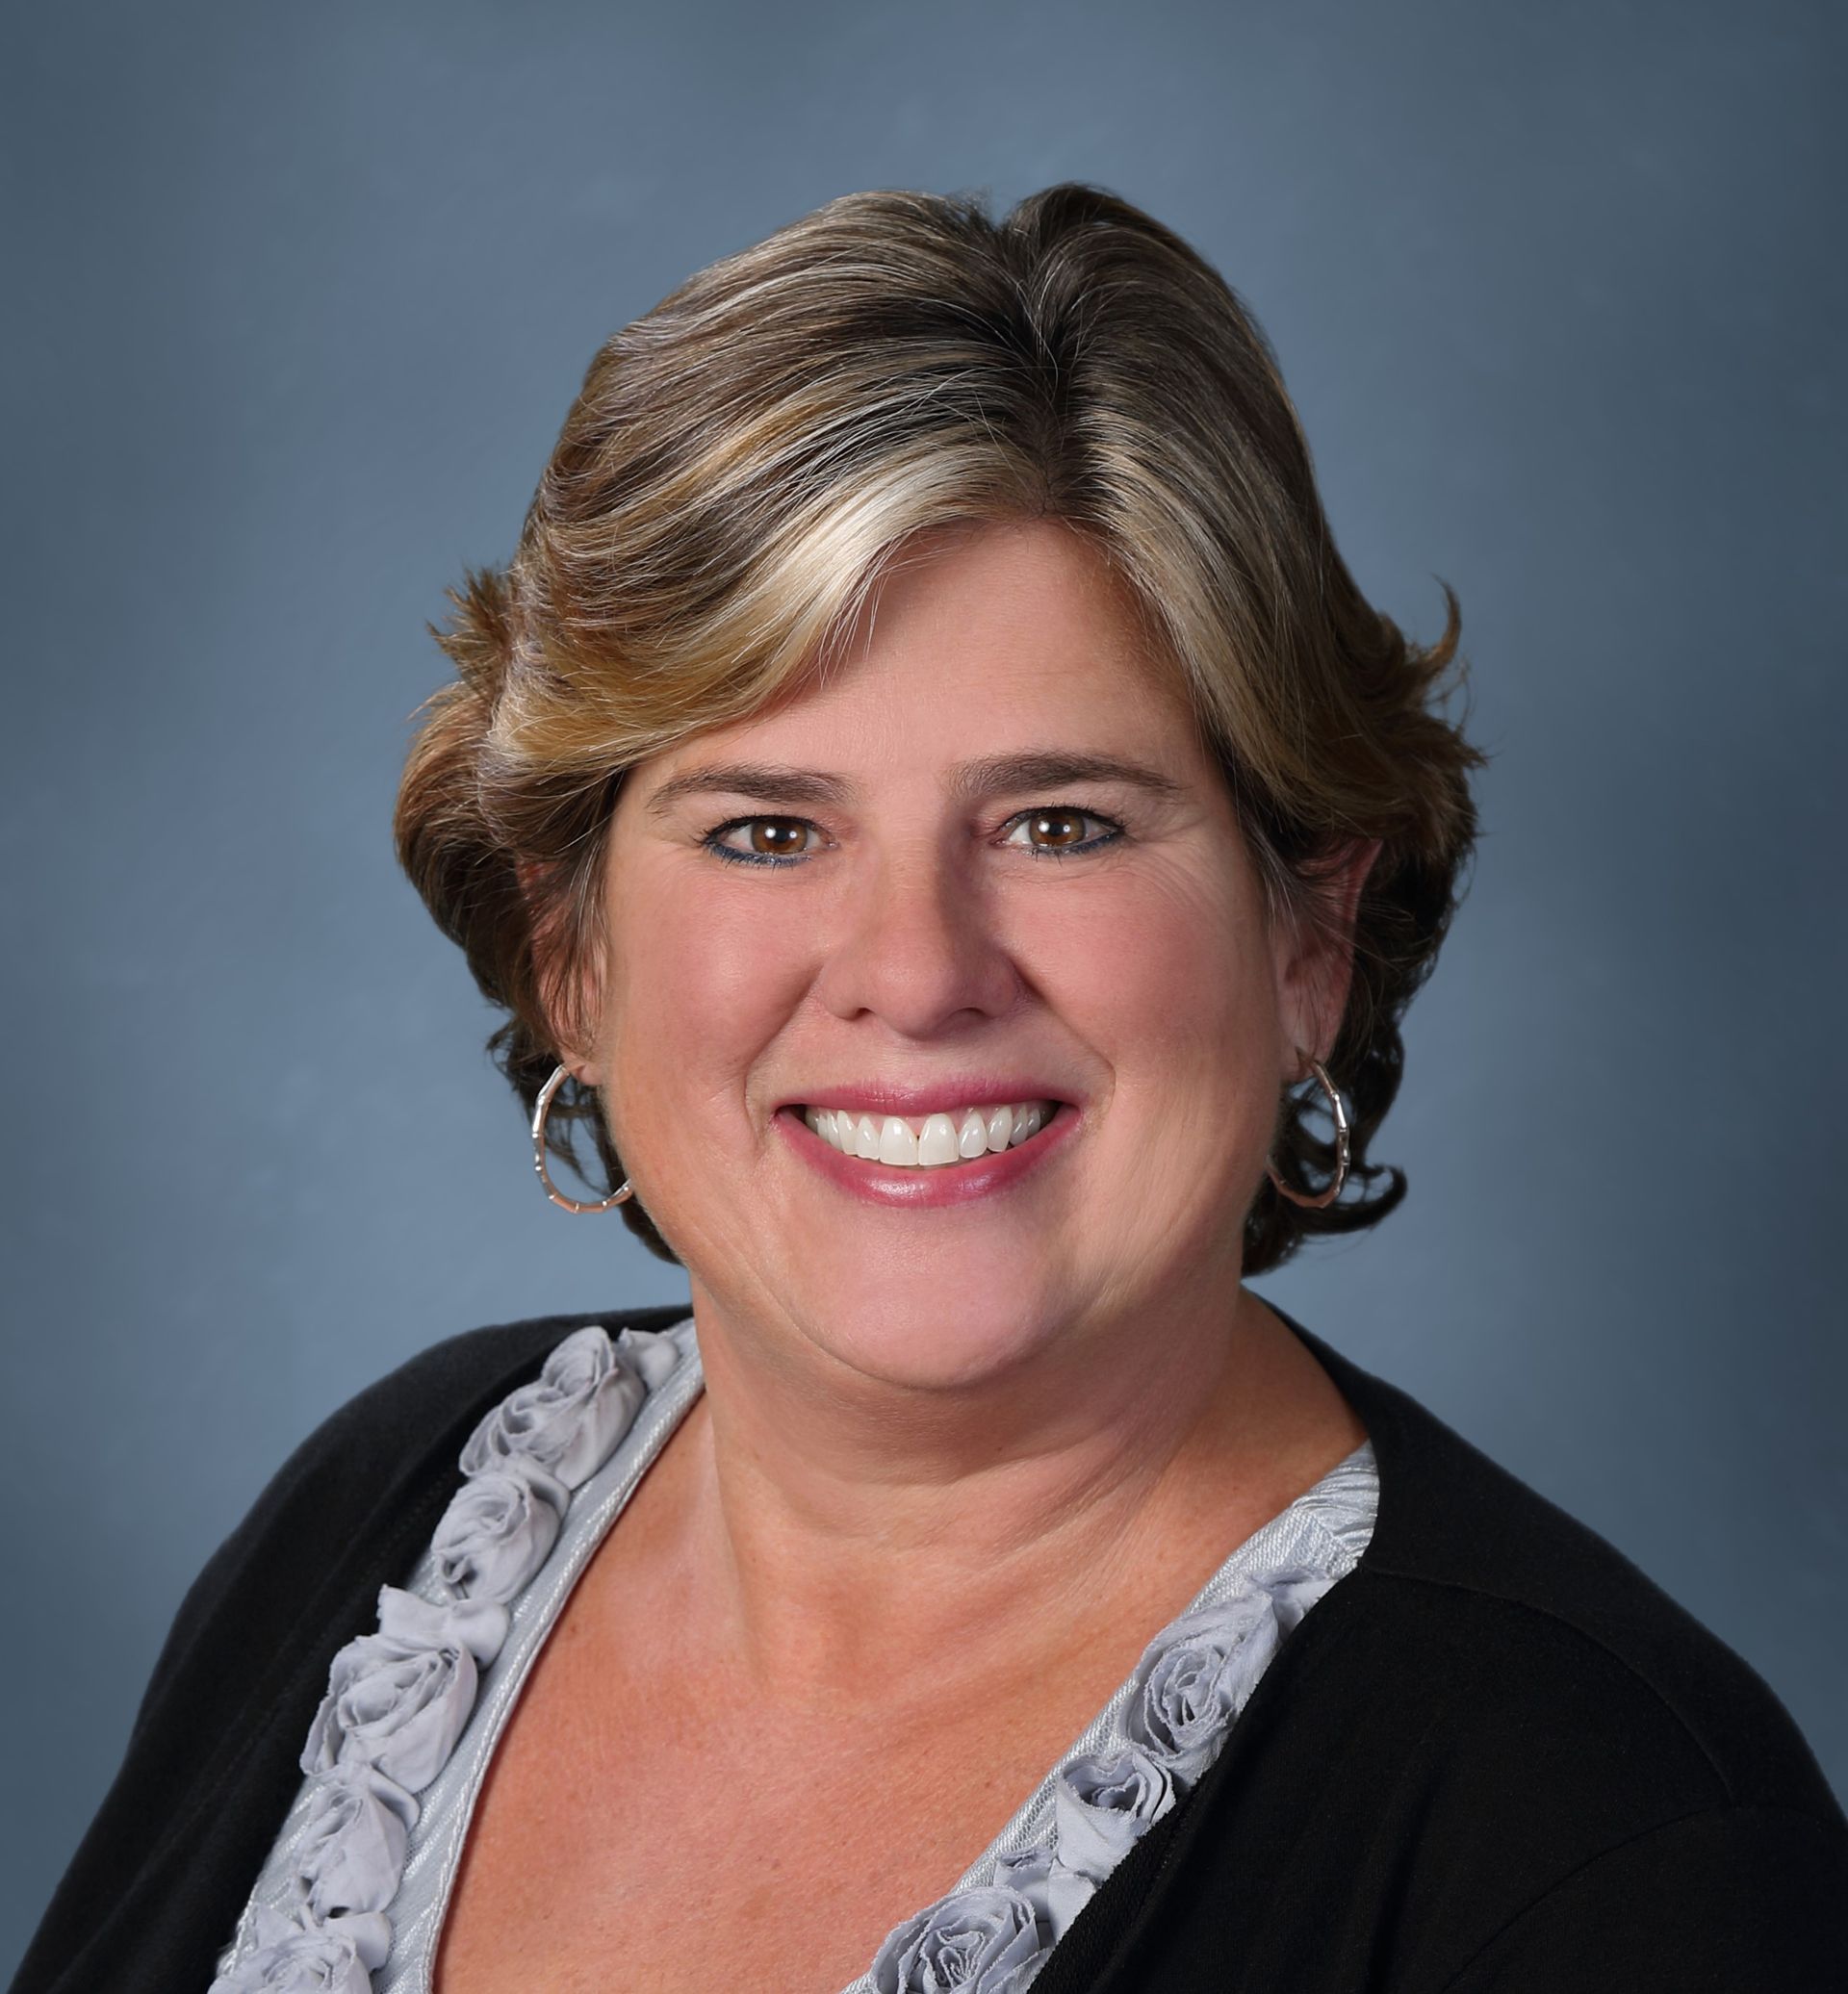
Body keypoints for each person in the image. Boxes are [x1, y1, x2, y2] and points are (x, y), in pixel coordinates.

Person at [12, 183, 1843, 1994]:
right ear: (570, 951)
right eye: (765, 829)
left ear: (1310, 938)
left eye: (1061, 824)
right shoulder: (390, 1529)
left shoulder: (1612, 1841)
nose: (917, 973)